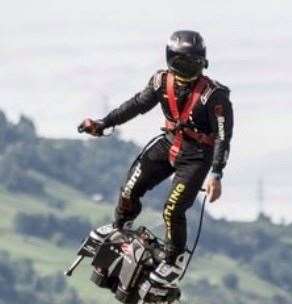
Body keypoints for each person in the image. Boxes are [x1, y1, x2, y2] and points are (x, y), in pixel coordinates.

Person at [78, 30, 233, 286]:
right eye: (180, 64)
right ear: (169, 61)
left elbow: (222, 137)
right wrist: (104, 123)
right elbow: (137, 104)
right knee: (130, 187)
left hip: (196, 158)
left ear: (203, 63)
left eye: (193, 64)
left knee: (172, 210)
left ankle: (173, 259)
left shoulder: (215, 96)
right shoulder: (160, 82)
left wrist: (216, 173)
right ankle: (120, 226)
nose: (186, 71)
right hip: (169, 143)